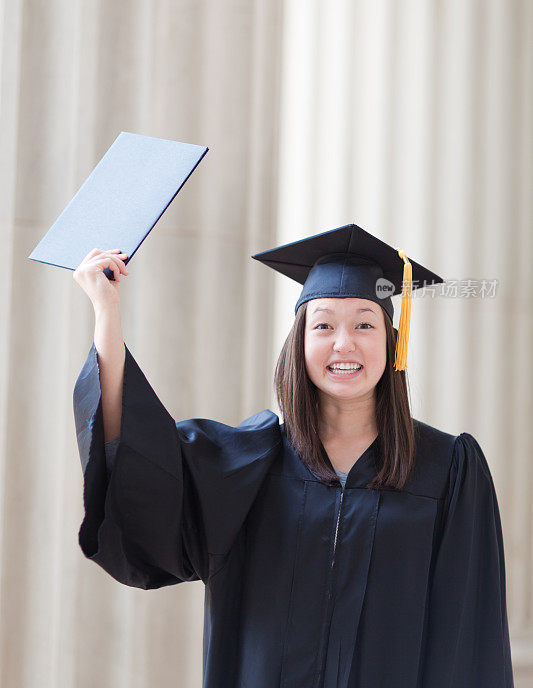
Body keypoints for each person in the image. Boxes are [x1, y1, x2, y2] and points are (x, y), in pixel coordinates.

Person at [72, 225, 514, 688]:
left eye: (365, 323)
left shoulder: (448, 470)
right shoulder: (246, 467)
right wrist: (107, 311)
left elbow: (472, 637)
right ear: (299, 344)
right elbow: (142, 469)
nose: (344, 344)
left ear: (392, 341)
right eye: (323, 325)